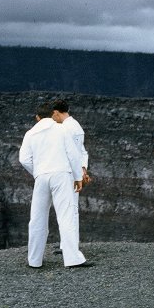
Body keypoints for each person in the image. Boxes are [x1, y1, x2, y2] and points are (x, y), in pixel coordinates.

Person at [19, 103, 93, 268]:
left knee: (37, 219)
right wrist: (77, 177)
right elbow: (73, 155)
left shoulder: (30, 133)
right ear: (52, 114)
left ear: (37, 117)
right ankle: (73, 259)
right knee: (66, 216)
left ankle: (34, 260)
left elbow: (23, 159)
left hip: (41, 177)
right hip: (61, 175)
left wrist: (37, 172)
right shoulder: (62, 129)